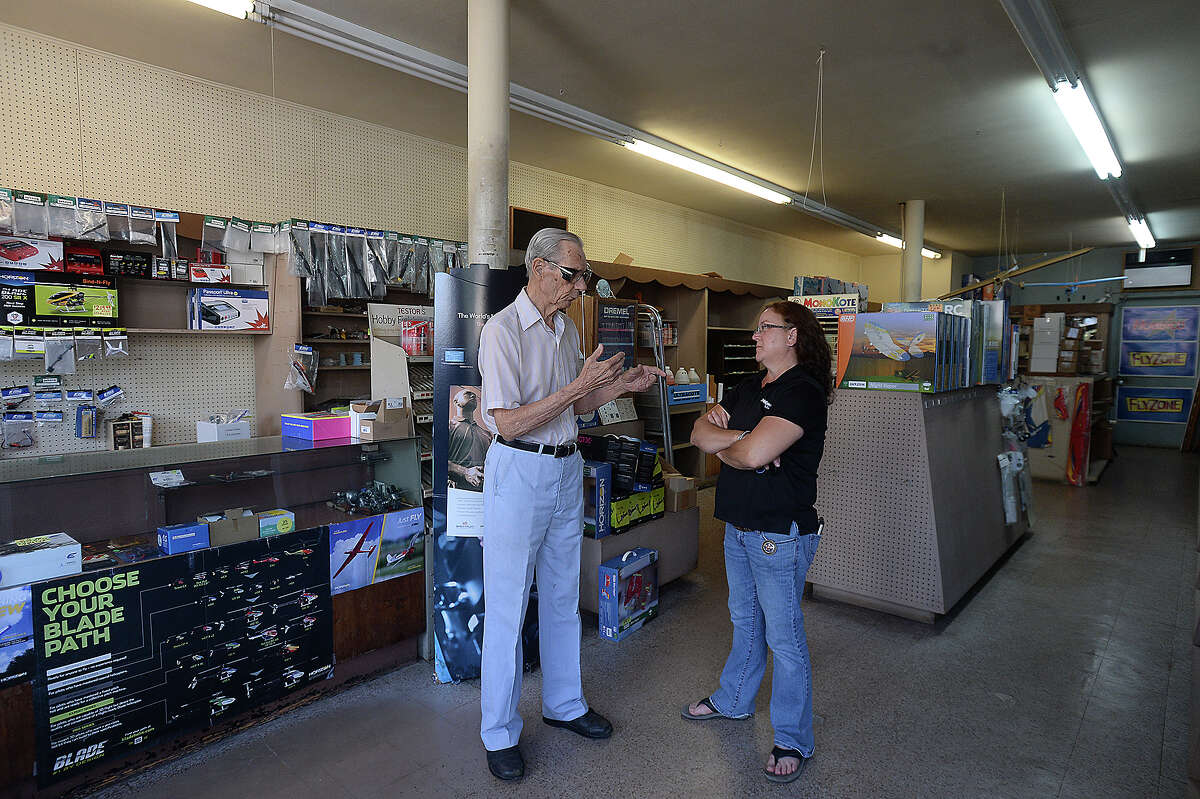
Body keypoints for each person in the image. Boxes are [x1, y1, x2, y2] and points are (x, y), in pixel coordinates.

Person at [477, 228, 665, 781]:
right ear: (537, 268)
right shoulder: (502, 331)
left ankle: (563, 705)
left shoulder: (562, 330)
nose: (580, 286)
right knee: (509, 605)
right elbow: (505, 420)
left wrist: (616, 388)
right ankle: (499, 732)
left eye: (582, 276)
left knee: (561, 595)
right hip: (518, 469)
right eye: (572, 275)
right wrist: (575, 388)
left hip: (564, 468)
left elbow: (574, 407)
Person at [685, 300, 833, 785]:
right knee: (744, 620)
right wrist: (745, 441)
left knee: (783, 637)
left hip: (779, 534)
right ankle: (734, 701)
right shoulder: (749, 386)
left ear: (792, 336)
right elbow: (699, 433)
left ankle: (793, 738)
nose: (755, 336)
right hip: (737, 526)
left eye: (765, 328)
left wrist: (737, 444)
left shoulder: (804, 392)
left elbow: (745, 453)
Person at [447, 388, 491, 490]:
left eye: (474, 396)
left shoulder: (486, 434)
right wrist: (465, 472)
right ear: (456, 402)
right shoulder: (448, 426)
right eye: (468, 394)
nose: (473, 396)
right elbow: (438, 462)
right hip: (457, 491)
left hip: (482, 492)